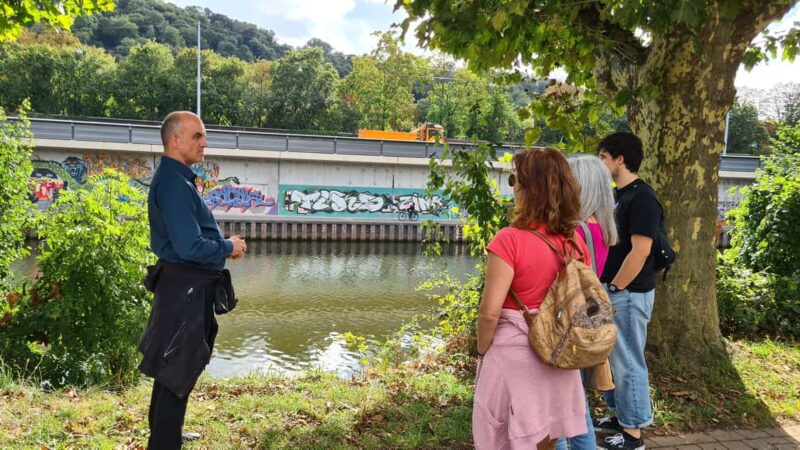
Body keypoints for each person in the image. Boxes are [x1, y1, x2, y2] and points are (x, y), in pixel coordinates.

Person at [139, 111, 247, 449]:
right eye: (197, 136)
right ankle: (165, 441)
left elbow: (190, 239)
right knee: (177, 369)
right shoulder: (173, 182)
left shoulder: (179, 179)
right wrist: (228, 246)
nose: (204, 142)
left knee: (172, 368)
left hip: (183, 288)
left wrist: (220, 245)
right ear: (175, 140)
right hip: (184, 290)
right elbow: (188, 246)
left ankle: (167, 433)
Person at [473, 148, 590, 450]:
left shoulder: (509, 240)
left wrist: (482, 349)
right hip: (559, 352)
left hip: (515, 356)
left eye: (515, 180)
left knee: (507, 437)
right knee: (548, 437)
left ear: (530, 188)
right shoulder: (574, 241)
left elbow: (489, 313)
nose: (513, 187)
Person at [594, 132, 662, 450]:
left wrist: (615, 286)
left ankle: (633, 433)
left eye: (604, 158)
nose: (600, 164)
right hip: (617, 291)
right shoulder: (619, 196)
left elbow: (641, 251)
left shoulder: (642, 198)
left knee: (629, 361)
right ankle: (621, 416)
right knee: (612, 358)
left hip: (630, 294)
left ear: (620, 159)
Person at [556, 155, 620, 450]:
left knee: (562, 406)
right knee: (574, 400)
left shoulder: (576, 231)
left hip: (569, 323)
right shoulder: (603, 229)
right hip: (588, 320)